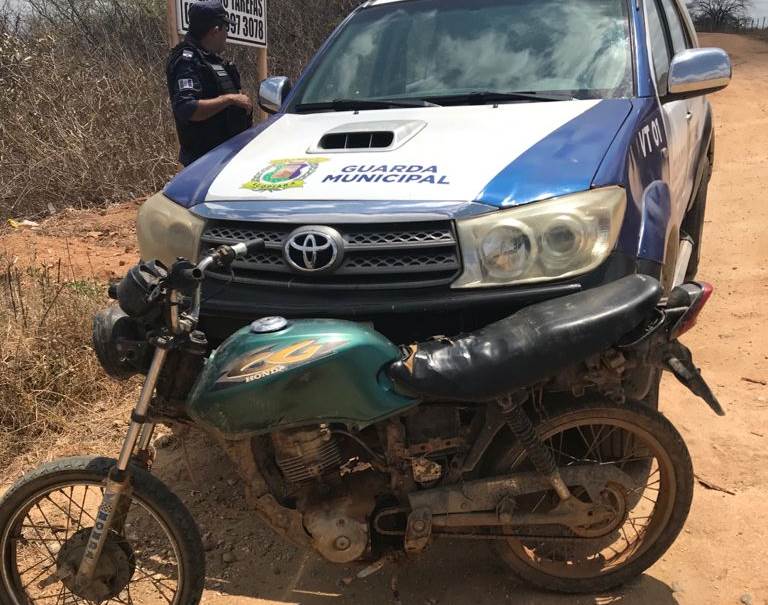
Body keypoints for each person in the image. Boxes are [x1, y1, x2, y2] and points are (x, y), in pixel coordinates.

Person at [166, 0, 254, 167]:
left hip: (227, 156)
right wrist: (230, 99)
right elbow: (187, 108)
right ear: (215, 30)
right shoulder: (187, 61)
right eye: (226, 29)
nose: (226, 35)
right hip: (205, 163)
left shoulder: (209, 59)